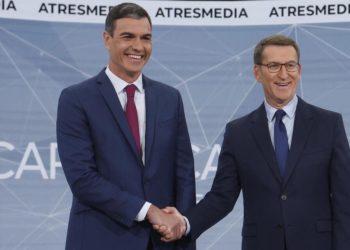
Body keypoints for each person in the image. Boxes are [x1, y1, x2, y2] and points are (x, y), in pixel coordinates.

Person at [156, 35, 350, 250]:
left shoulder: (329, 125)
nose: (284, 74)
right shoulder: (238, 132)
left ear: (299, 70)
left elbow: (345, 200)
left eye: (290, 65)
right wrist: (185, 222)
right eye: (274, 66)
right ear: (257, 73)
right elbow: (222, 196)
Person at [56, 3, 196, 250]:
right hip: (100, 239)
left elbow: (183, 172)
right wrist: (147, 210)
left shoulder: (170, 98)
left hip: (163, 242)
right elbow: (82, 179)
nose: (138, 47)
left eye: (146, 38)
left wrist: (181, 227)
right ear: (107, 39)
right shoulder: (76, 99)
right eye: (127, 37)